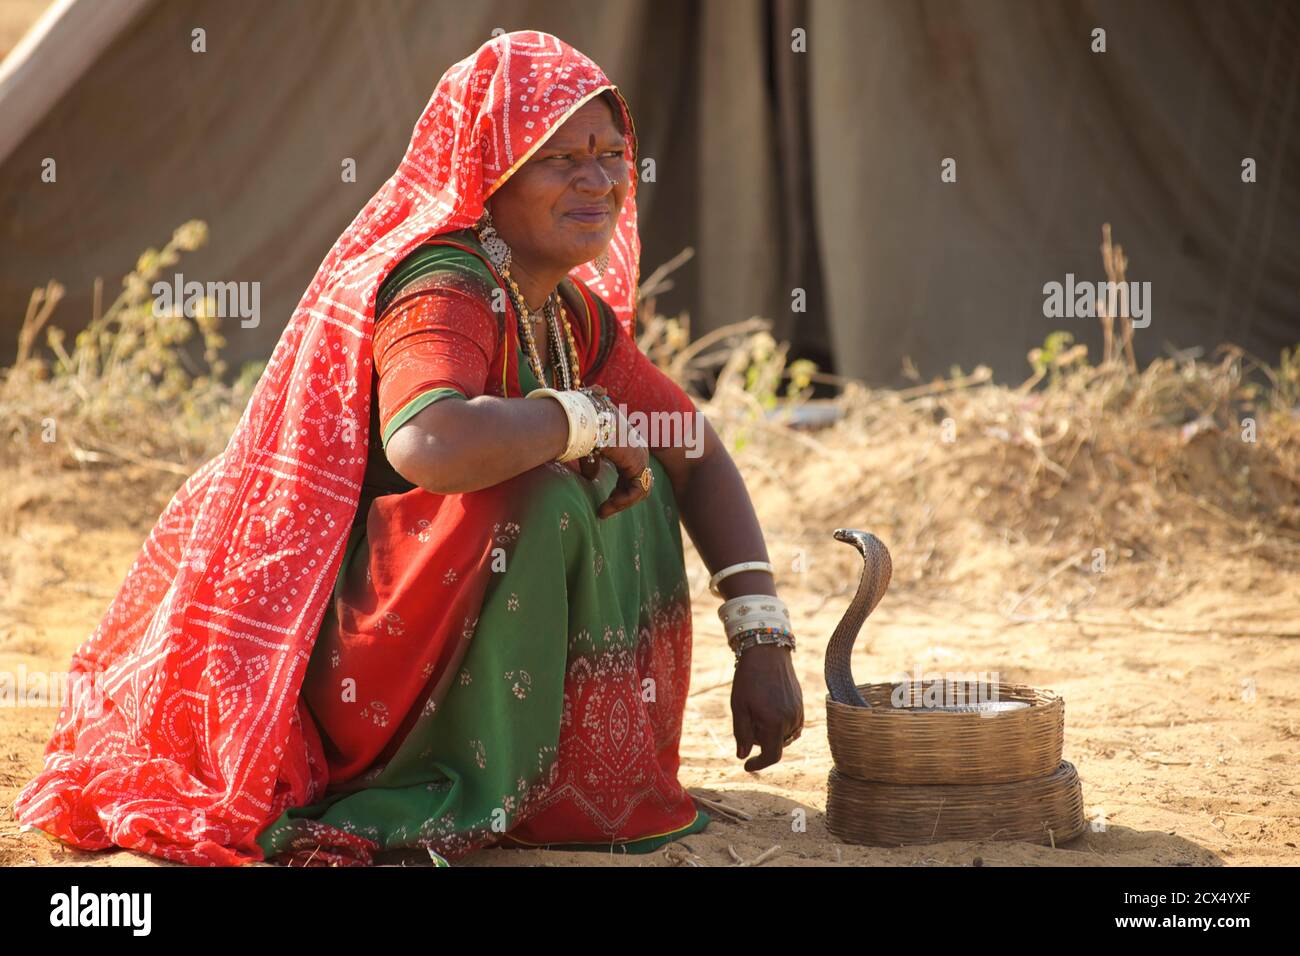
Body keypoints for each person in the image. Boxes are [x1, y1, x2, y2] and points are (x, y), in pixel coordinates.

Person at [13, 30, 802, 867]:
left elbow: (694, 451)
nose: (598, 179)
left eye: (611, 153)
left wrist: (761, 634)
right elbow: (430, 441)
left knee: (625, 471)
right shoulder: (445, 287)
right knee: (534, 495)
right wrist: (589, 421)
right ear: (488, 173)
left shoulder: (568, 316)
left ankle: (557, 775)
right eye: (558, 157)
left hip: (419, 637)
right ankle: (440, 777)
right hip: (332, 664)